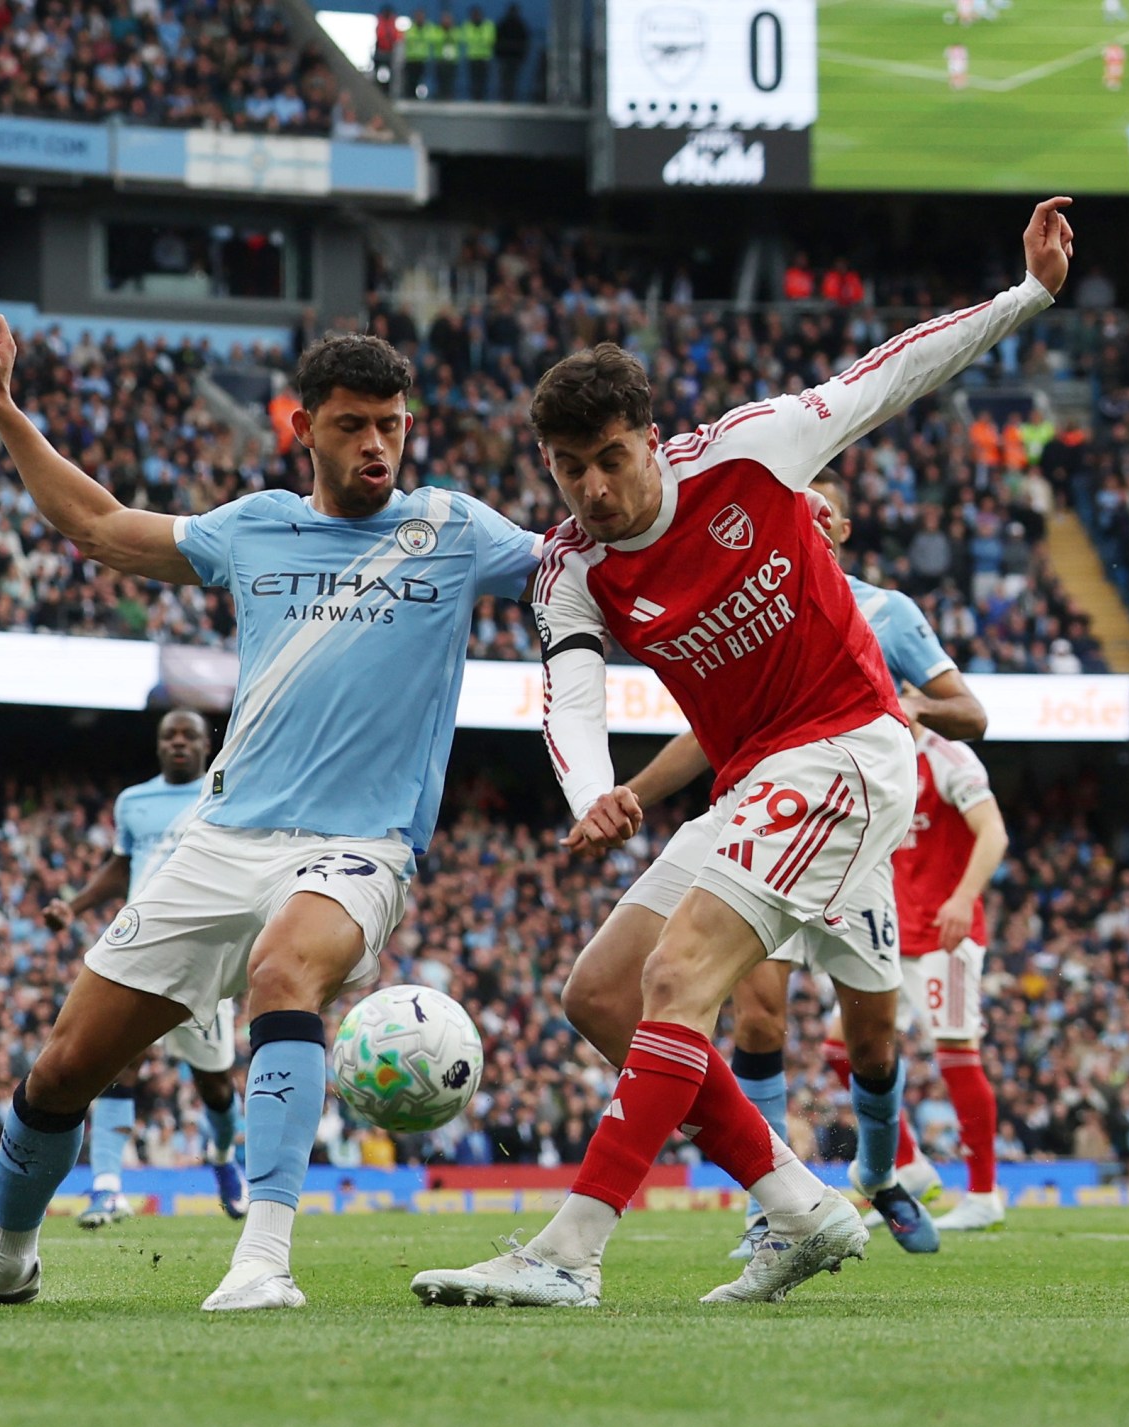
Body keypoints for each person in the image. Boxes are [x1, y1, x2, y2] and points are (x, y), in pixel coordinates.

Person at [411, 196, 1073, 1308]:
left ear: (648, 436)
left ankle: (568, 1256)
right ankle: (804, 1209)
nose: (591, 489)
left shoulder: (752, 452)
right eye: (566, 467)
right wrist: (591, 790)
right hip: (753, 776)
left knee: (685, 980)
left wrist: (1027, 296)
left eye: (609, 459)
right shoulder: (572, 563)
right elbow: (567, 690)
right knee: (603, 994)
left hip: (850, 747)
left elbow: (890, 373)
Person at [0, 326, 542, 1312]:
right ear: (302, 427)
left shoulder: (454, 531)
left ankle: (263, 1259)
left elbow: (588, 566)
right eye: (352, 426)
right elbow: (97, 525)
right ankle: (6, 1259)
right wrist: (4, 412)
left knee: (283, 973)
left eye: (391, 428)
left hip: (359, 845)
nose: (376, 449)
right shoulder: (252, 527)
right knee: (64, 1069)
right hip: (221, 842)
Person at [621, 476, 986, 1259]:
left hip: (855, 846)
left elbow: (972, 713)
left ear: (843, 527)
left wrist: (910, 706)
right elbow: (702, 736)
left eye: (820, 509)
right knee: (756, 1020)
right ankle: (772, 1207)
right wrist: (635, 793)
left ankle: (880, 1174)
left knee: (875, 1045)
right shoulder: (752, 613)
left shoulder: (887, 613)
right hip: (765, 836)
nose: (806, 519)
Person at [41, 709, 246, 1227]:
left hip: (204, 951)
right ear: (158, 746)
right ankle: (108, 1189)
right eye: (169, 736)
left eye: (189, 736)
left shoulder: (225, 795)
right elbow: (122, 866)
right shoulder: (134, 802)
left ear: (207, 746)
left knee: (215, 1086)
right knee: (115, 1065)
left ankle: (224, 1159)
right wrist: (75, 905)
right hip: (142, 944)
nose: (179, 742)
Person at [894, 724, 1010, 1231]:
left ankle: (983, 1194)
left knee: (957, 1054)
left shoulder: (945, 755)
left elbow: (995, 832)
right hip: (890, 931)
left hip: (945, 933)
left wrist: (963, 898)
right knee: (843, 1049)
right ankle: (908, 1167)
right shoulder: (878, 749)